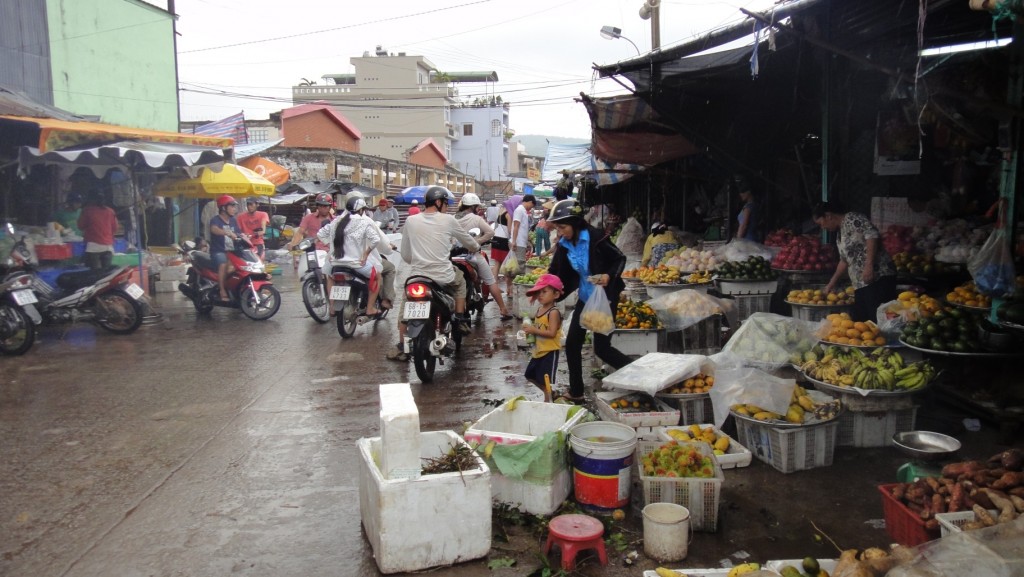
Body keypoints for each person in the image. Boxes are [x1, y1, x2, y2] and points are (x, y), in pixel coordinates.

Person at [547, 198, 633, 404]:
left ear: (576, 223)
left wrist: (608, 276)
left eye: (563, 227)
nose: (559, 232)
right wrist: (544, 289)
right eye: (557, 227)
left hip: (605, 297)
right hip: (586, 297)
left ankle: (639, 374)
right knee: (573, 344)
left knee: (602, 349)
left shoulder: (596, 238)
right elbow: (555, 271)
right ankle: (576, 392)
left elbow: (619, 258)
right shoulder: (564, 245)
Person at [387, 186, 480, 361]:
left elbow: (406, 254)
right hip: (443, 275)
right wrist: (476, 246)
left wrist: (419, 261)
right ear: (438, 202)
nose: (446, 207)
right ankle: (460, 320)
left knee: (406, 306)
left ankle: (402, 345)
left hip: (418, 276)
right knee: (460, 283)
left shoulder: (411, 221)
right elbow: (469, 242)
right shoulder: (448, 220)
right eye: (445, 203)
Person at [814, 202, 897, 322]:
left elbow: (872, 235)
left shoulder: (853, 219)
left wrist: (869, 266)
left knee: (878, 320)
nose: (822, 227)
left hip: (877, 277)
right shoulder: (840, 233)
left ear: (828, 216)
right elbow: (844, 260)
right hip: (861, 283)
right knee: (862, 321)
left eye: (820, 223)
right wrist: (831, 284)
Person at [317, 197, 386, 317]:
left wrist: (331, 247)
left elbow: (320, 234)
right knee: (377, 277)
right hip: (355, 264)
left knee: (330, 277)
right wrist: (365, 254)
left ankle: (332, 307)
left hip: (336, 264)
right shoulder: (363, 222)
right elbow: (375, 240)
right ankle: (370, 308)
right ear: (361, 210)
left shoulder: (336, 220)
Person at [453, 193, 513, 320]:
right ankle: (503, 309)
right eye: (477, 207)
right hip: (472, 255)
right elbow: (490, 232)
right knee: (491, 281)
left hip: (454, 256)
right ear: (473, 206)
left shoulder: (453, 218)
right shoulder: (476, 219)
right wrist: (477, 241)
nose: (478, 209)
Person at [522, 274, 564, 402]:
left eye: (544, 291)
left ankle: (547, 401)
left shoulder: (553, 312)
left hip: (550, 351)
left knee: (545, 380)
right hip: (538, 351)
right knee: (529, 375)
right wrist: (530, 332)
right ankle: (550, 394)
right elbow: (539, 327)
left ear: (556, 295)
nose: (540, 295)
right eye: (539, 292)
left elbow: (551, 333)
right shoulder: (540, 309)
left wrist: (534, 330)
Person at [208, 195, 242, 301]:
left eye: (234, 206)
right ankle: (222, 289)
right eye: (232, 206)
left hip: (232, 252)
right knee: (223, 264)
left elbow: (238, 233)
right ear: (223, 208)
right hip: (218, 251)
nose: (234, 209)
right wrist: (226, 232)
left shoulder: (233, 220)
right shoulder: (215, 220)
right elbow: (214, 229)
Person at [78, 189, 118, 270]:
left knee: (96, 273)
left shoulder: (87, 210)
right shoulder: (110, 211)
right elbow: (115, 228)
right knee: (106, 273)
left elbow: (80, 226)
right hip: (108, 247)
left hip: (93, 247)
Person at [510, 194, 536, 276]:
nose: (531, 208)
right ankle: (517, 287)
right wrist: (514, 241)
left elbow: (522, 227)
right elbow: (516, 226)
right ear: (530, 202)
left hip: (521, 242)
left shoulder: (523, 211)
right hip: (519, 242)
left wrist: (528, 239)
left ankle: (515, 286)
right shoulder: (519, 210)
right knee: (519, 266)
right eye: (532, 206)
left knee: (519, 265)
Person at [733, 176, 763, 242]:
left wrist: (738, 240)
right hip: (754, 238)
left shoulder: (748, 208)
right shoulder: (756, 205)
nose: (740, 194)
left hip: (747, 240)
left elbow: (744, 226)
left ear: (749, 192)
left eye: (743, 192)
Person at [490, 207, 512, 293]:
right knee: (506, 265)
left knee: (497, 264)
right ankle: (509, 289)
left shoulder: (500, 212)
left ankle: (494, 287)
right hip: (503, 240)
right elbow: (510, 230)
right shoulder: (509, 214)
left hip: (496, 238)